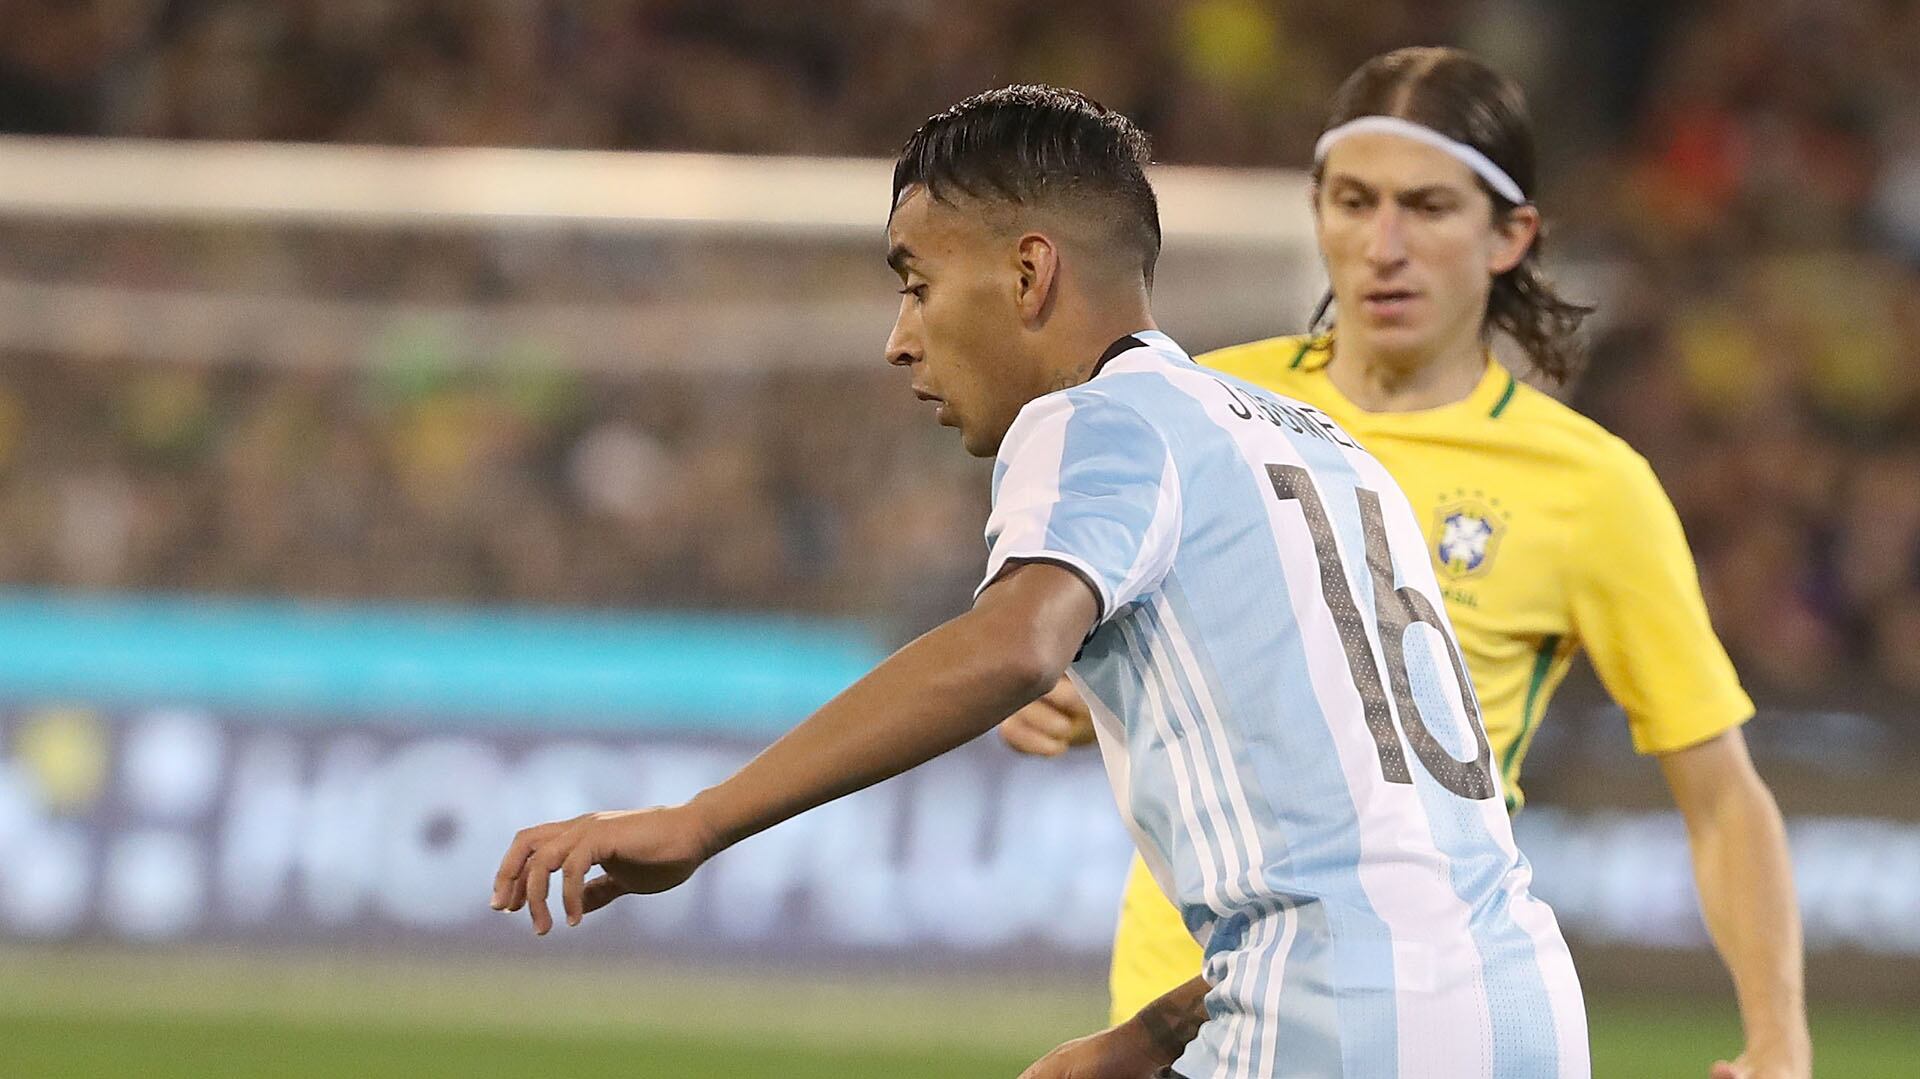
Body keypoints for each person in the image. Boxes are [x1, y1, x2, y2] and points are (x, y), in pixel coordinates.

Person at [491, 84, 1588, 1078]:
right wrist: (1150, 1035)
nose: (899, 339)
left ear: (1028, 273)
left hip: (1337, 1024)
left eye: (918, 285)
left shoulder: (1096, 417)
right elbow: (1372, 846)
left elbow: (1013, 646)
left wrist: (699, 820)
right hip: (1521, 1004)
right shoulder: (1330, 450)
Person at [1000, 47, 1808, 1079]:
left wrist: (1781, 1035)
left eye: (1427, 207)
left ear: (1511, 235)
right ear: (1318, 212)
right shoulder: (1198, 405)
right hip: (1189, 1014)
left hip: (1426, 1023)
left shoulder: (1590, 486)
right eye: (1354, 201)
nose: (1384, 245)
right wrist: (1080, 694)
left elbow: (1723, 793)